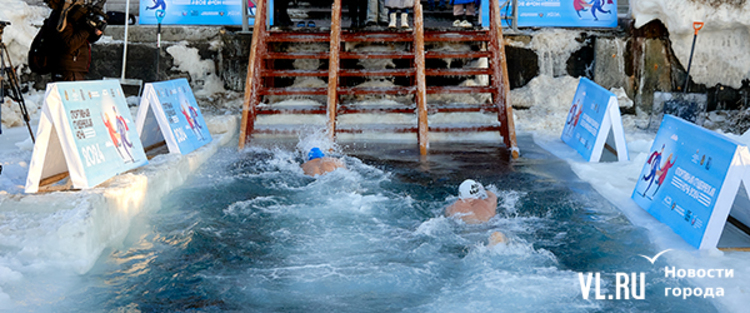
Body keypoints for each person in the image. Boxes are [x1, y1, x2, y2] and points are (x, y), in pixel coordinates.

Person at [44, 0, 103, 81]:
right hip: (69, 70)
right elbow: (69, 45)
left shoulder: (72, 14)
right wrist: (88, 28)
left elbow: (83, 39)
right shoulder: (64, 15)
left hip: (74, 69)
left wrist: (95, 32)